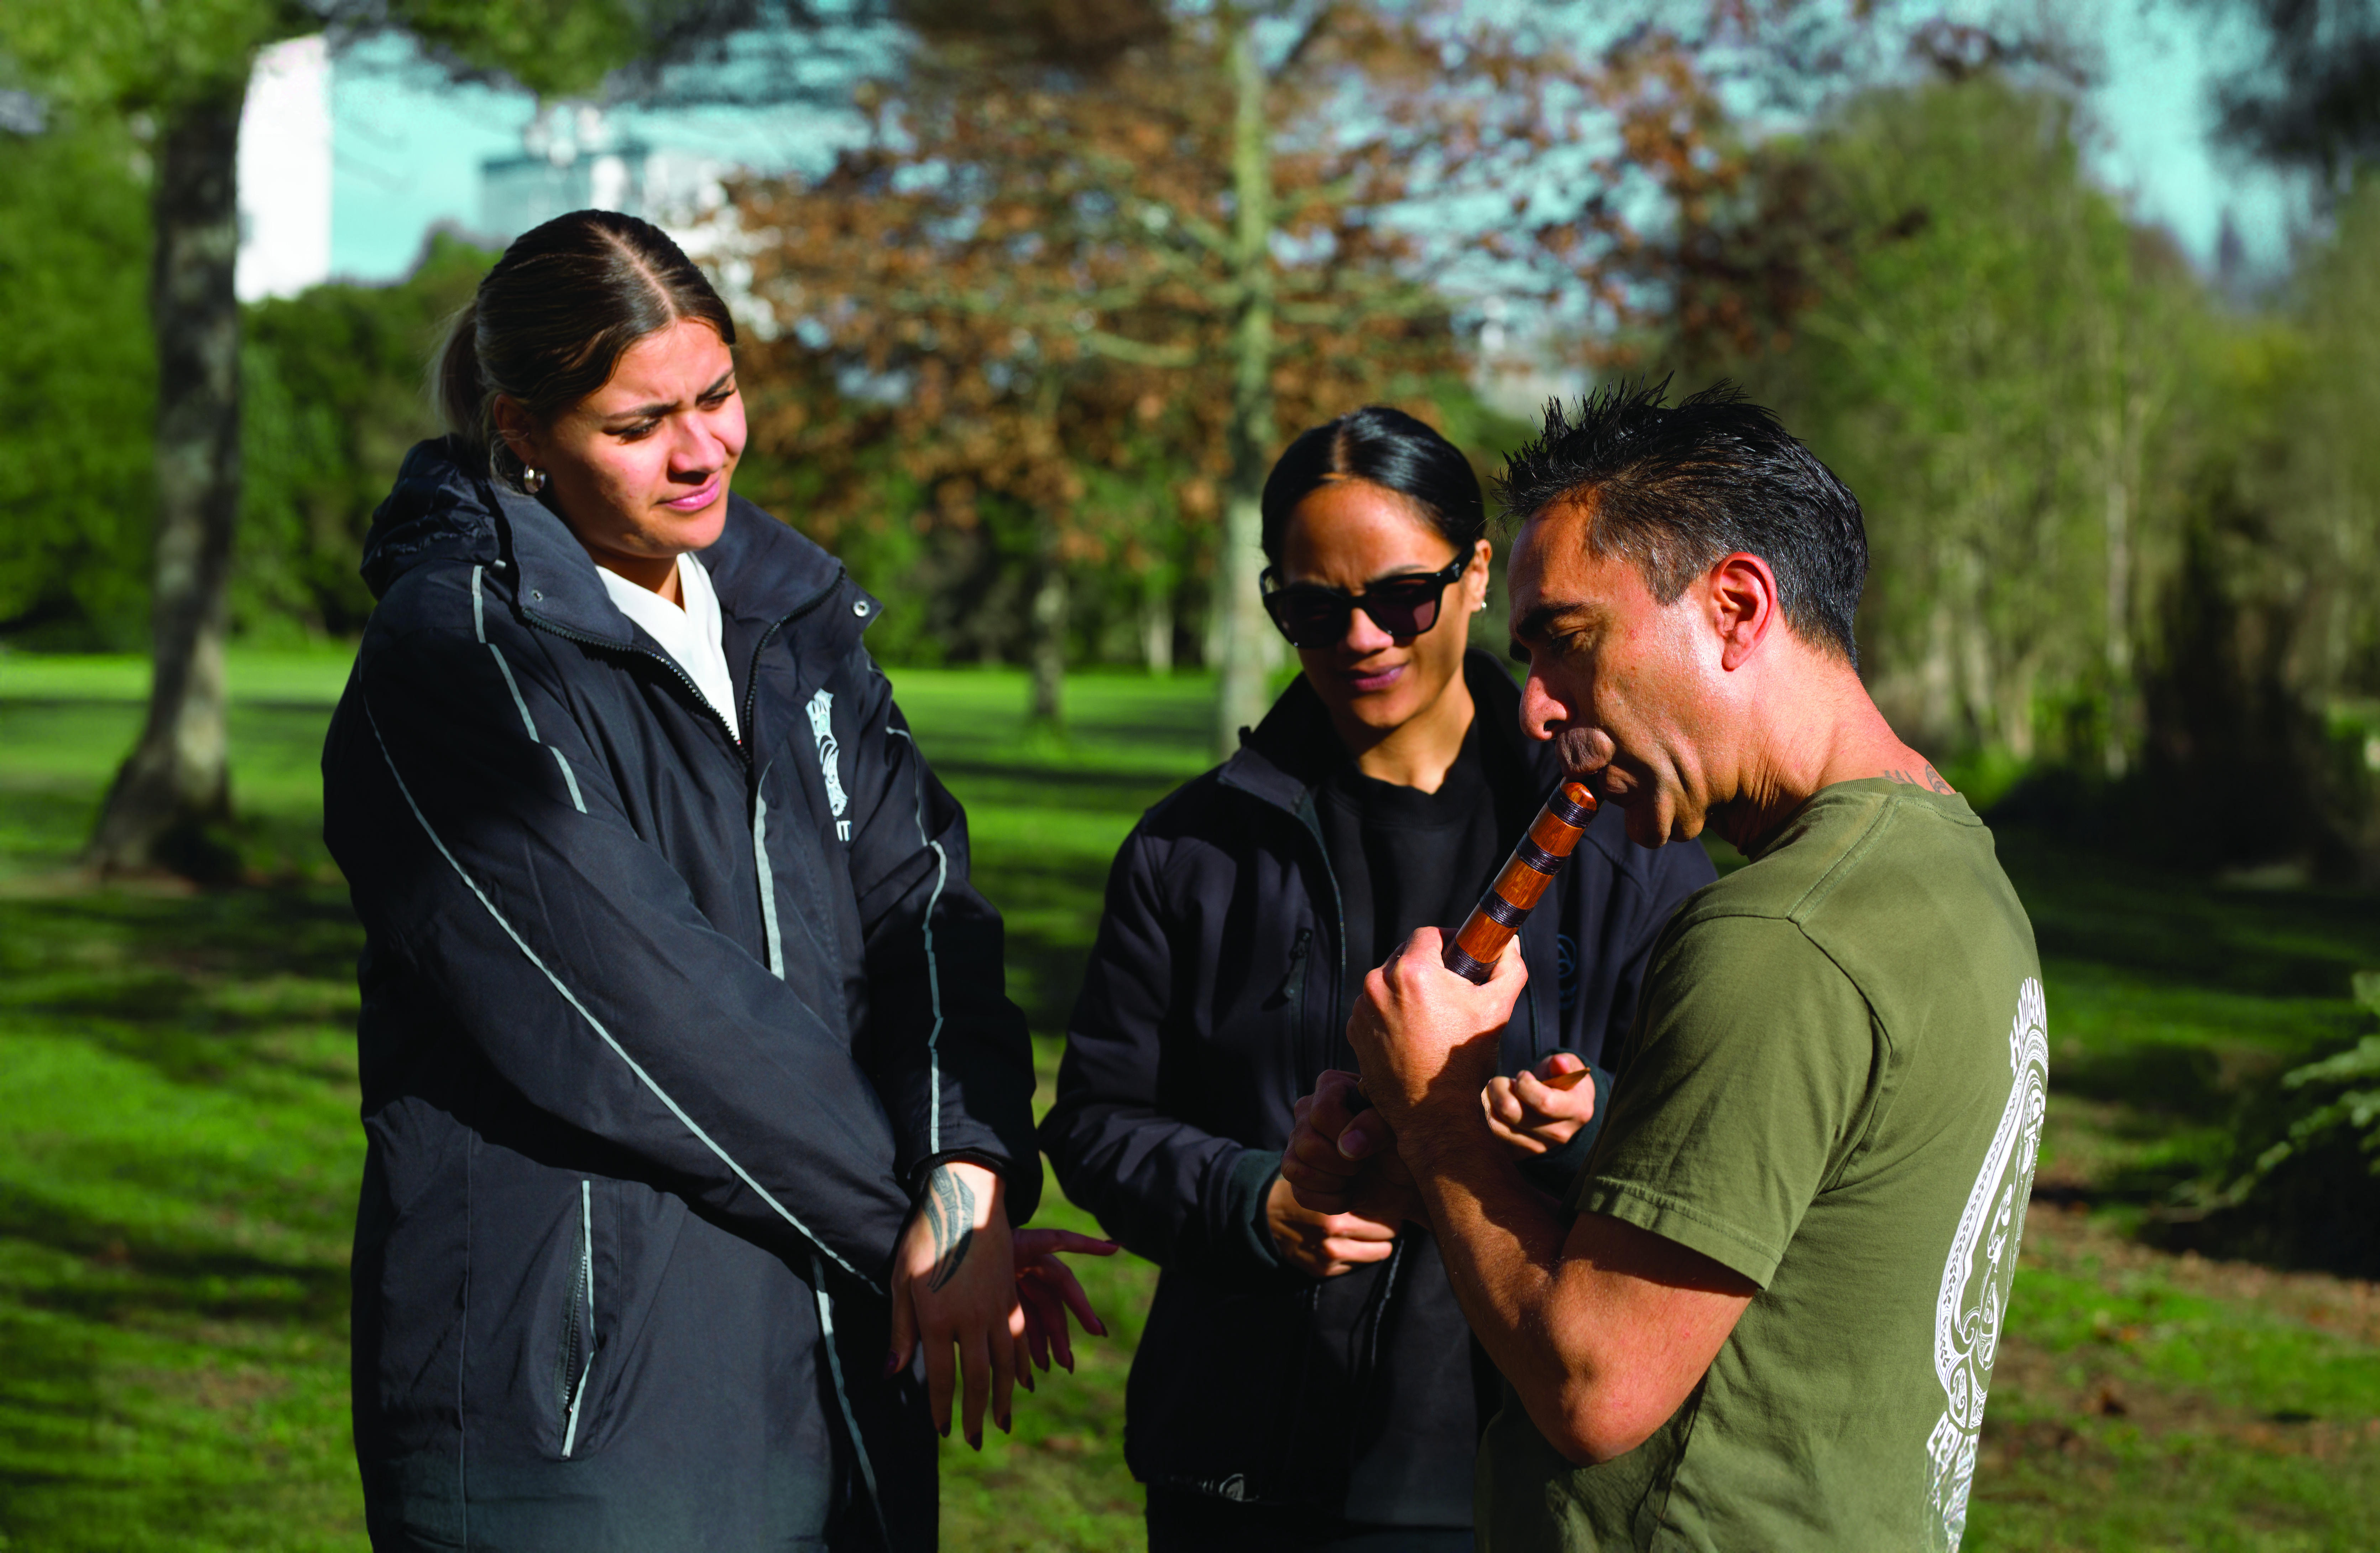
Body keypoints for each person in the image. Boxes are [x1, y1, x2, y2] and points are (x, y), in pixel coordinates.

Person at [323, 209, 1110, 1553]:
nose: (701, 453)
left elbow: (925, 904)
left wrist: (966, 1177)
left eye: (721, 395)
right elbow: (643, 1015)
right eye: (639, 426)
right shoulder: (452, 655)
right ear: (521, 429)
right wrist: (911, 1227)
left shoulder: (790, 617)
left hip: (842, 1379)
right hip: (588, 1426)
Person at [1284, 382, 2048, 1552]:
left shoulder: (1779, 937)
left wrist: (1436, 1108)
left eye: (1568, 643)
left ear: (1736, 606)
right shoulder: (1954, 868)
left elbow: (1594, 1386)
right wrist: (1451, 1171)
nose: (1536, 710)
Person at [1039, 406, 1714, 1551]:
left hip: (1515, 1468)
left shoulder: (1622, 839)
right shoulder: (1192, 847)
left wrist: (1588, 1114)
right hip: (1242, 1468)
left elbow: (1709, 1142)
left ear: (1476, 575)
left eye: (1399, 596)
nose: (1358, 637)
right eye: (1309, 607)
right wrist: (1254, 1202)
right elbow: (1099, 1124)